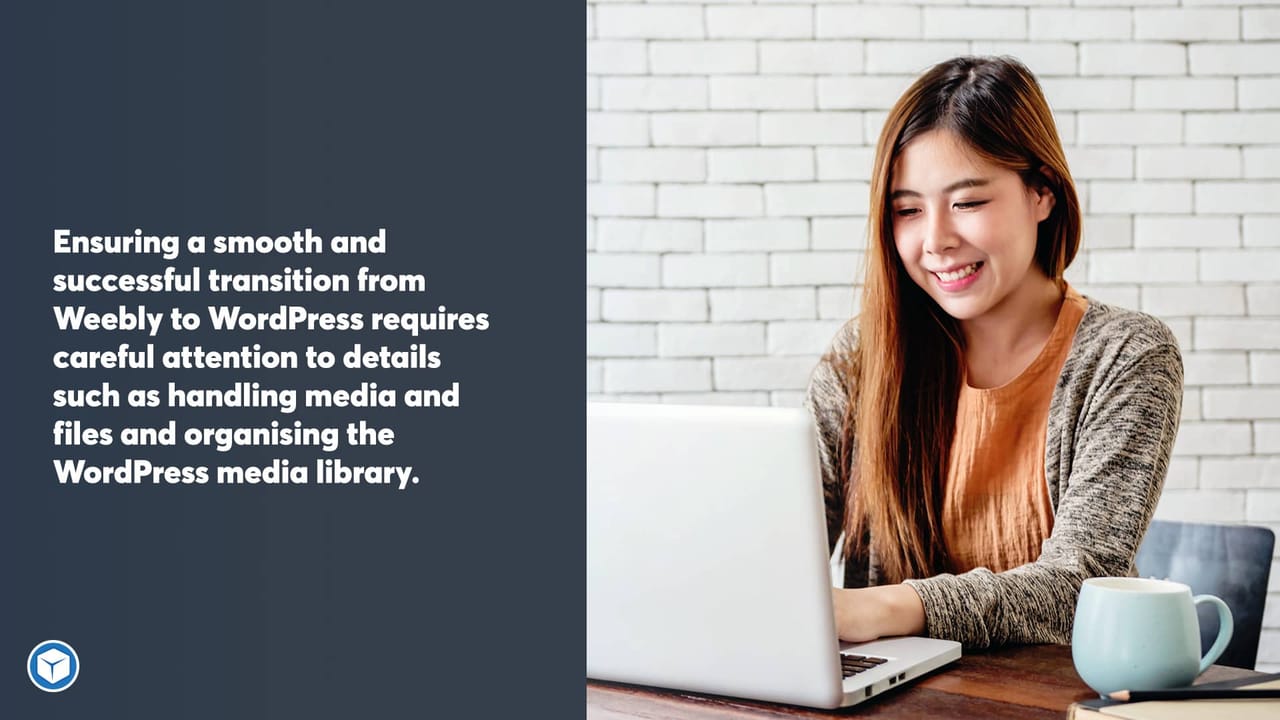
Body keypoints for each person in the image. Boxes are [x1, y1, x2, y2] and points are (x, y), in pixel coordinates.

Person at [806, 56, 1183, 649]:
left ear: (1042, 192)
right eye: (907, 210)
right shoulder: (861, 357)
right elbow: (779, 559)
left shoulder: (1126, 355)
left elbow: (1081, 586)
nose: (935, 241)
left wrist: (887, 606)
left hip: (1055, 699)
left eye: (967, 202)